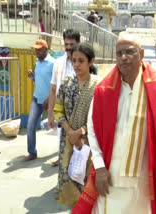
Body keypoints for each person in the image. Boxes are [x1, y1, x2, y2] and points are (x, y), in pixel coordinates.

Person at [72, 33, 156, 214]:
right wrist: (100, 166)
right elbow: (93, 129)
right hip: (110, 179)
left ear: (141, 53)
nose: (123, 57)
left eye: (129, 52)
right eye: (119, 53)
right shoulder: (104, 90)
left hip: (143, 182)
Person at [53, 43, 101, 209]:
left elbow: (100, 117)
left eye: (81, 60)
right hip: (68, 143)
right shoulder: (66, 84)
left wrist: (81, 132)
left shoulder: (98, 86)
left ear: (91, 61)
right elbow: (57, 110)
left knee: (87, 185)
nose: (76, 64)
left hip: (89, 142)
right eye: (74, 60)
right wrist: (70, 132)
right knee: (69, 183)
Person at [48, 29, 81, 167]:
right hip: (62, 114)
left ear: (78, 43)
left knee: (79, 151)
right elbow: (53, 89)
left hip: (79, 113)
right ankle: (64, 185)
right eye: (66, 44)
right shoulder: (58, 63)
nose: (68, 47)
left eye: (71, 44)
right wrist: (50, 114)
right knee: (63, 150)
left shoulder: (83, 62)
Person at [25, 39, 55, 161]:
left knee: (60, 127)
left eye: (39, 49)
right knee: (30, 125)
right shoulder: (36, 62)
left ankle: (63, 153)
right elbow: (38, 80)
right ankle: (32, 153)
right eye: (35, 49)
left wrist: (50, 100)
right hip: (36, 99)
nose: (36, 52)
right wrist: (32, 76)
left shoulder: (53, 63)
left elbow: (56, 84)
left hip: (51, 101)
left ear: (46, 50)